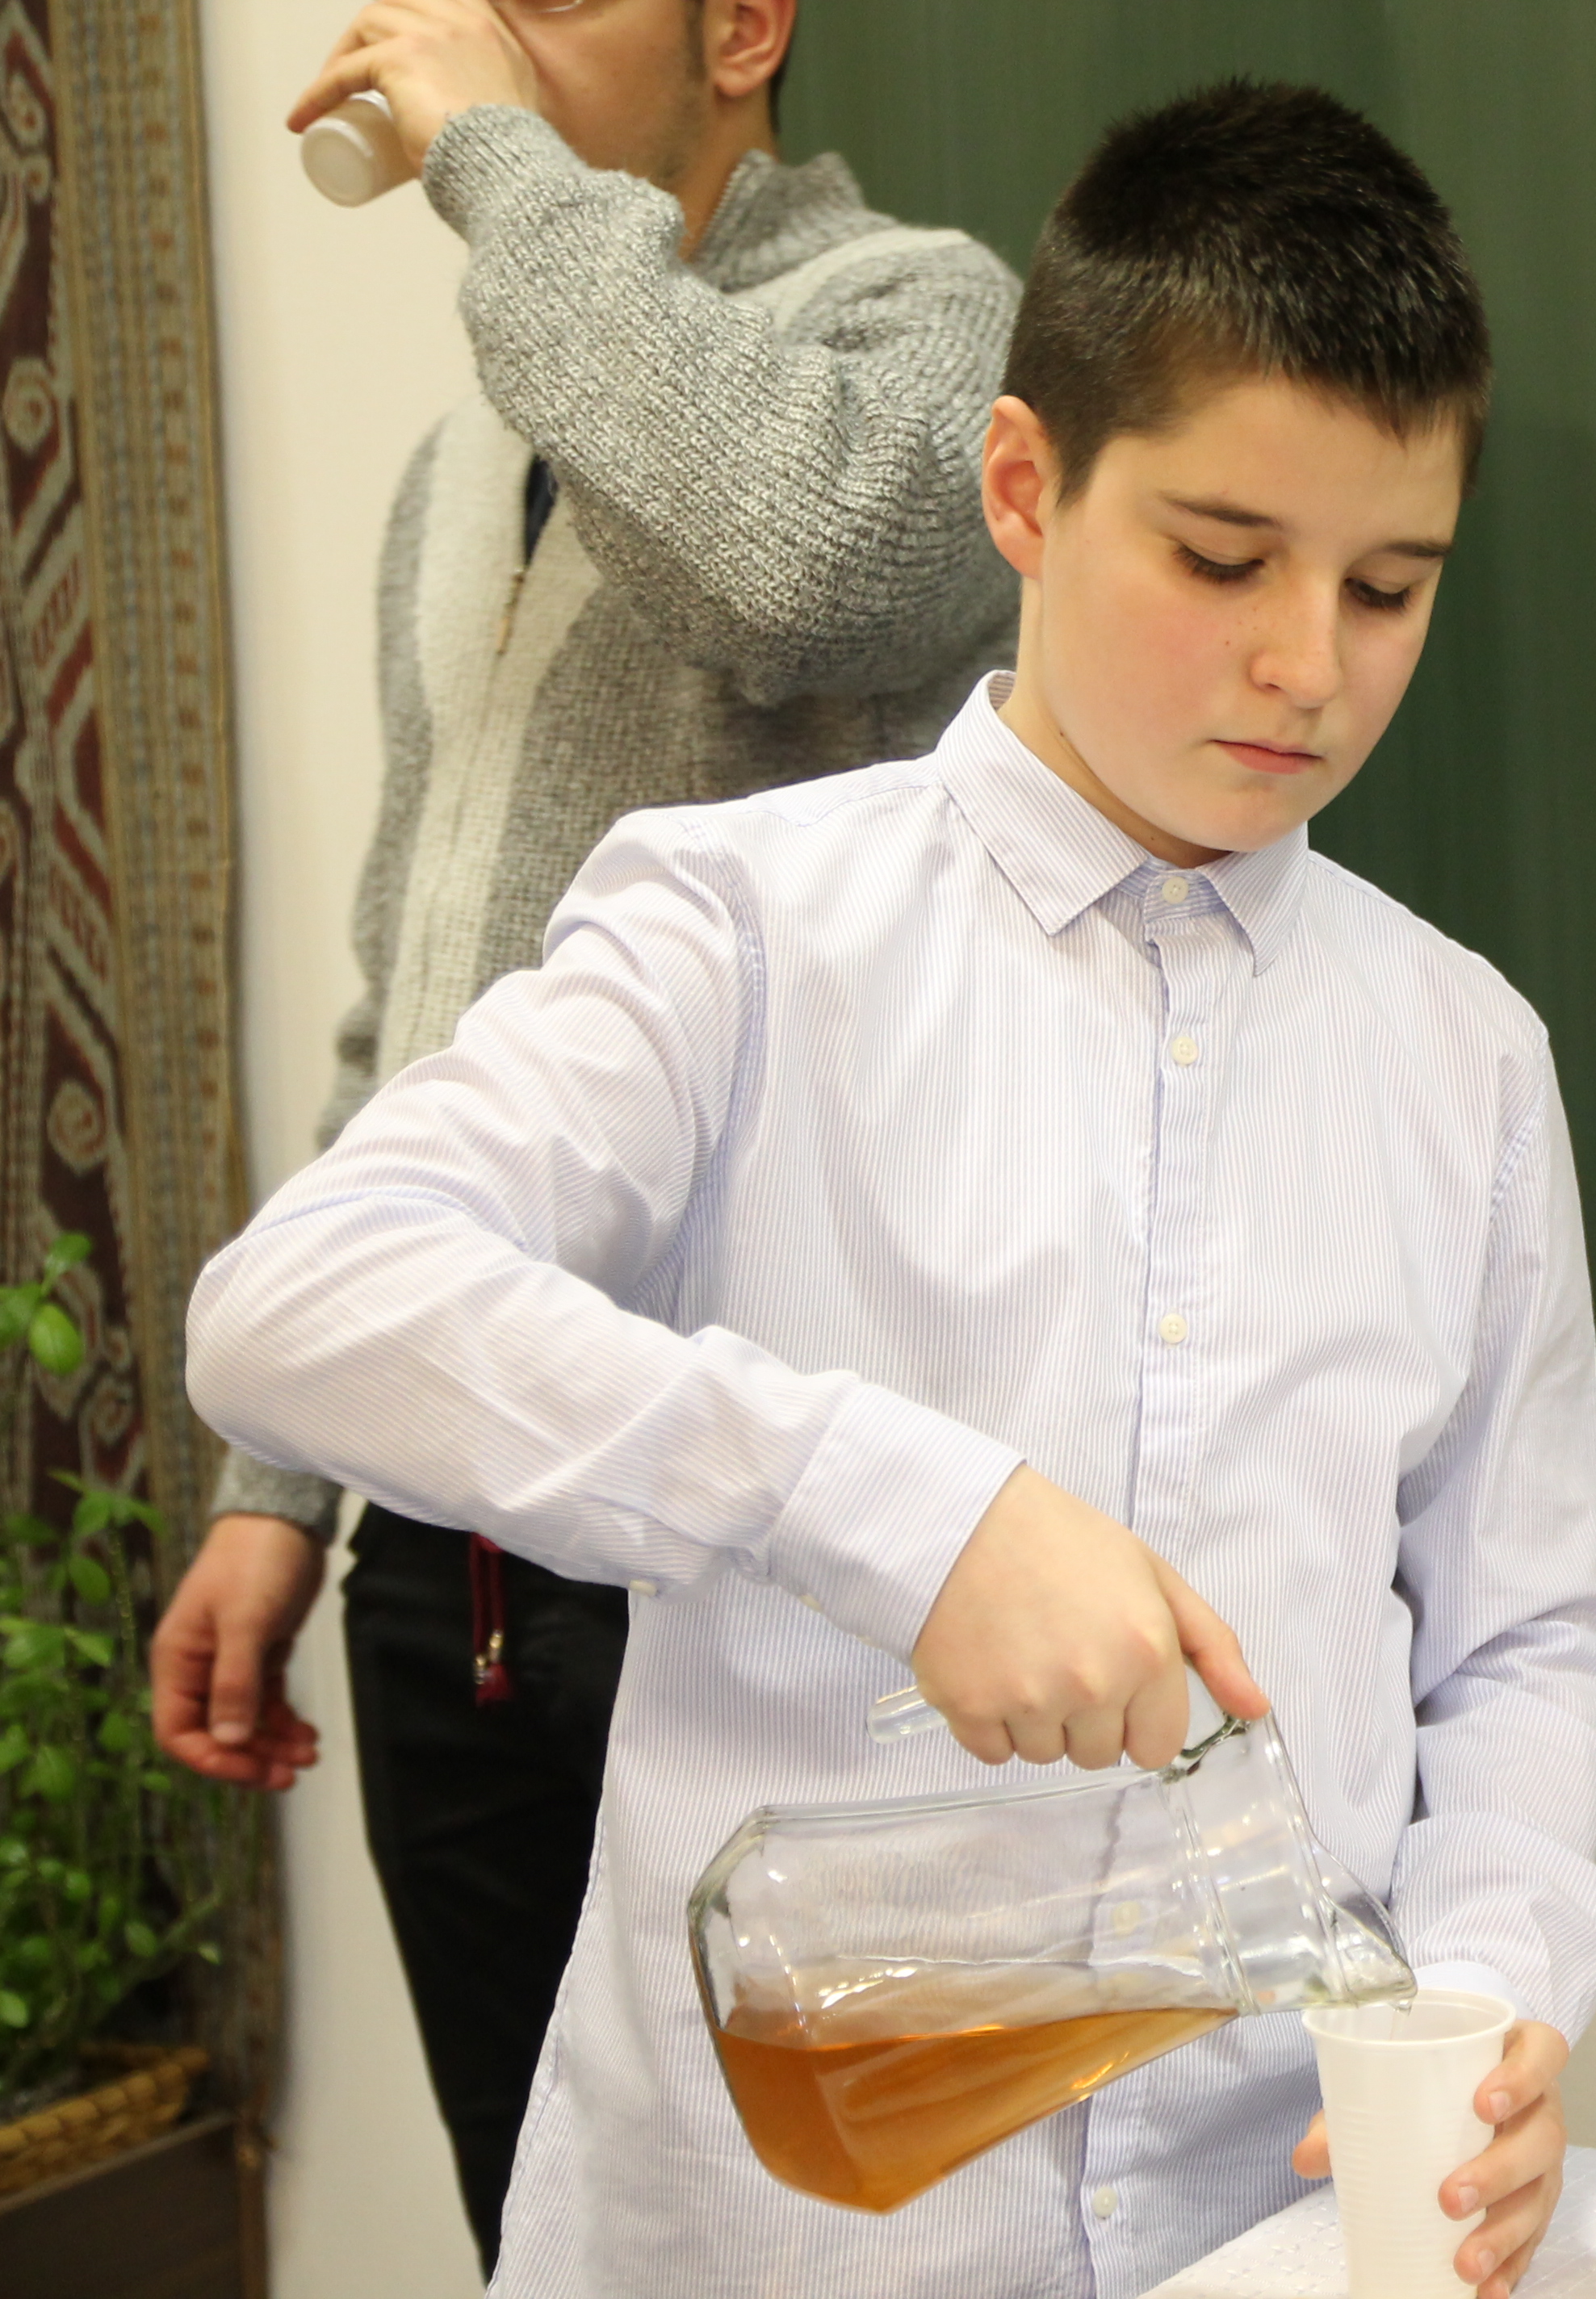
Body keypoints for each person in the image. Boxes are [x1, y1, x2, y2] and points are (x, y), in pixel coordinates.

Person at [183, 78, 1596, 2299]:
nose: (1308, 666)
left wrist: (1499, 1974)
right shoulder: (745, 927)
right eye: (1222, 559)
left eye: (1389, 588)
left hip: (1267, 2214)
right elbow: (304, 1307)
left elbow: (1520, 1641)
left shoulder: (1467, 1057)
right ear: (1023, 489)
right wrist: (903, 1515)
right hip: (786, 2225)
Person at [149, 0, 1023, 2267]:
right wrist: (275, 1490)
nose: (485, 28)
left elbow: (799, 565)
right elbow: (413, 988)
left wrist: (493, 167)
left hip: (747, 1546)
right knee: (538, 2244)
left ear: (744, 27)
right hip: (447, 1547)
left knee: (801, 2249)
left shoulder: (924, 328)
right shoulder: (475, 450)